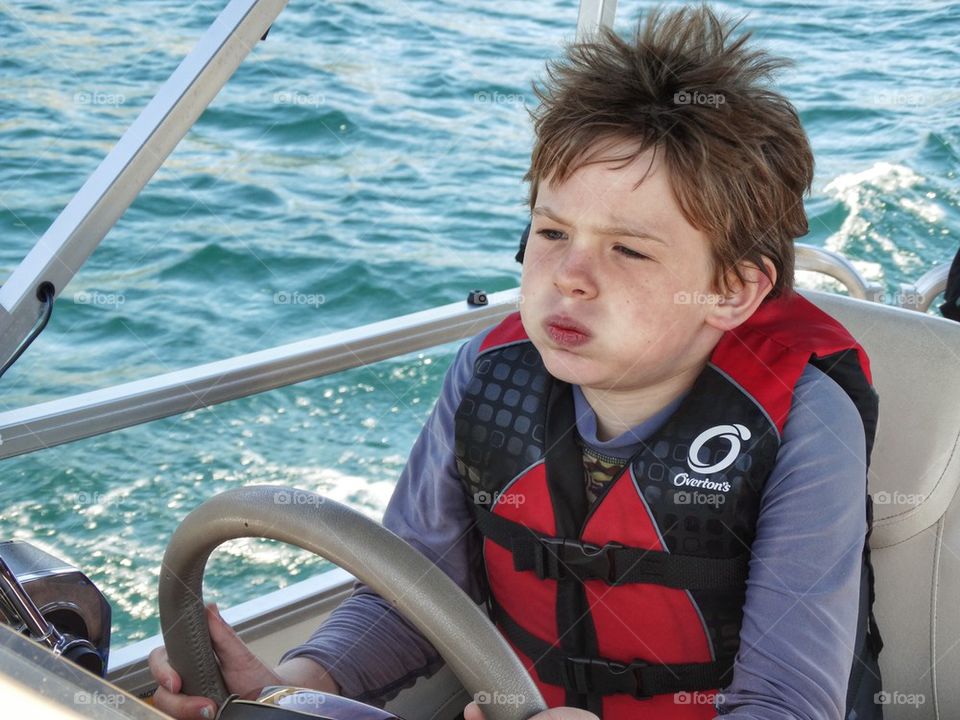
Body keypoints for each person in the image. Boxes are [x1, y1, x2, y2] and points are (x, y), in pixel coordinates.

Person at [149, 5, 883, 719]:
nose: (571, 275)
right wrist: (291, 687)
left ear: (731, 289)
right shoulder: (488, 375)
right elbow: (416, 595)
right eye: (553, 231)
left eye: (627, 249)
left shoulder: (804, 424)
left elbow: (788, 704)